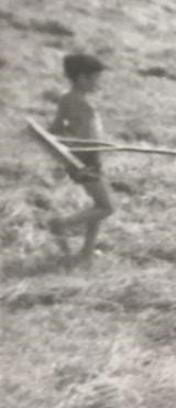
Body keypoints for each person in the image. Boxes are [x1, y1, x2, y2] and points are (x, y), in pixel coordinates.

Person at [46, 53, 113, 268]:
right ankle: (61, 224)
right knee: (107, 207)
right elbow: (86, 138)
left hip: (79, 159)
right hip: (86, 161)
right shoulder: (82, 104)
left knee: (99, 204)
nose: (98, 83)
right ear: (82, 78)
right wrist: (93, 145)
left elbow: (56, 129)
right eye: (95, 78)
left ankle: (87, 252)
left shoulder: (67, 98)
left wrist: (70, 138)